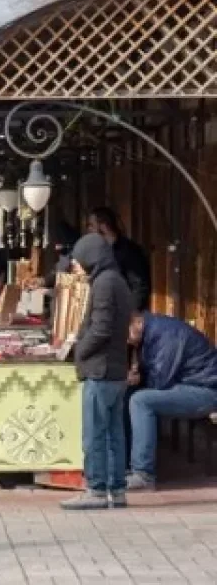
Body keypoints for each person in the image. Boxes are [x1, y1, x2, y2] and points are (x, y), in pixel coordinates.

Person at [60, 234, 134, 511]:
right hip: (116, 369)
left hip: (100, 369)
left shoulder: (104, 284)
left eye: (80, 260)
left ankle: (96, 489)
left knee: (94, 434)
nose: (77, 266)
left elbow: (101, 329)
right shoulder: (118, 280)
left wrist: (77, 349)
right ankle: (117, 489)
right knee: (114, 434)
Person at [124, 312, 217, 491]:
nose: (126, 340)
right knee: (133, 397)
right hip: (193, 384)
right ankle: (131, 465)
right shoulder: (152, 332)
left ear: (137, 322)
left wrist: (138, 378)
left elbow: (160, 381)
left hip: (206, 389)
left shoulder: (165, 333)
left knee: (140, 400)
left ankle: (143, 474)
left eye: (126, 333)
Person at [87, 207, 151, 311]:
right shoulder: (101, 250)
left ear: (104, 226)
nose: (89, 230)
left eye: (91, 225)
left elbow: (139, 288)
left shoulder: (130, 251)